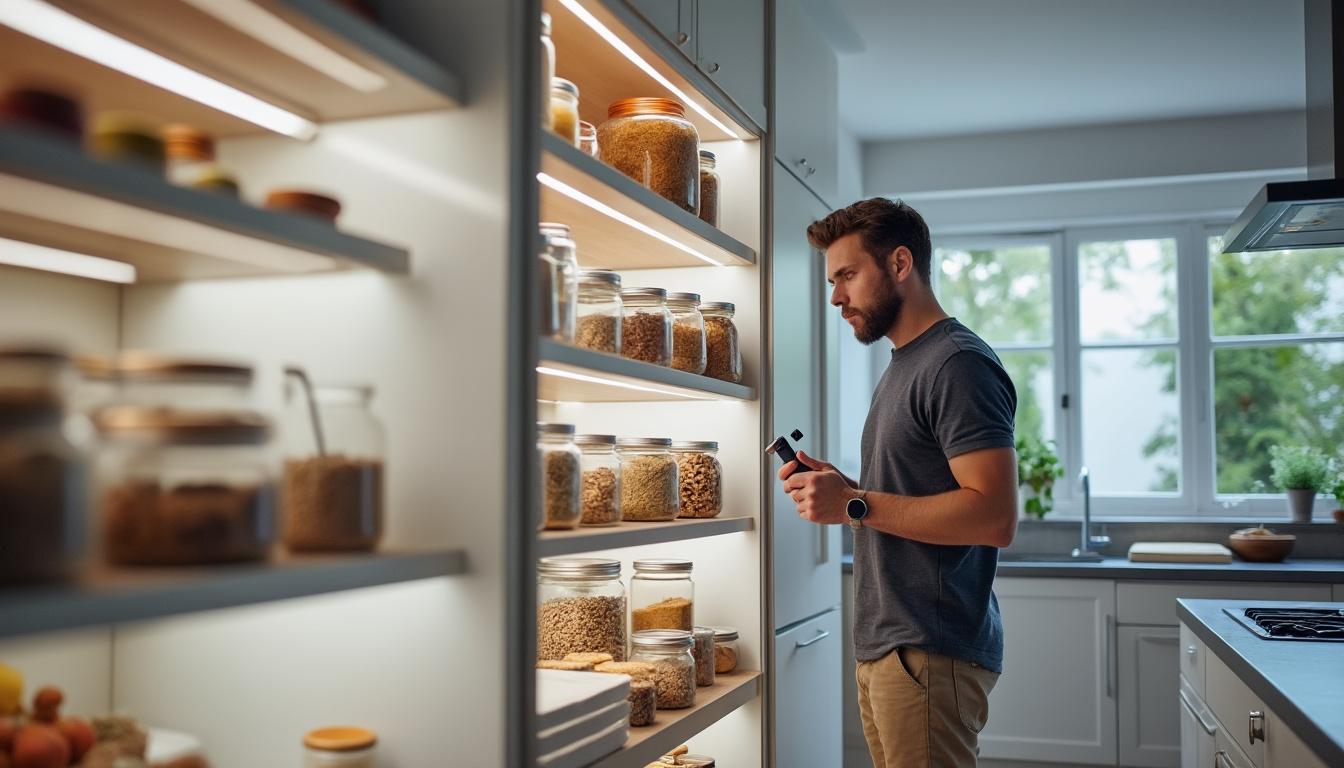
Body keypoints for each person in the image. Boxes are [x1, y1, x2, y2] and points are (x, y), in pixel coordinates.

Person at [779, 198, 1019, 767]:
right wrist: (846, 488)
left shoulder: (957, 364)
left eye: (847, 276)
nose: (836, 296)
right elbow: (914, 491)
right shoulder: (906, 364)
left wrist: (855, 504)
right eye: (833, 280)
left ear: (900, 264)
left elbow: (994, 517)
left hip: (928, 651)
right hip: (894, 649)